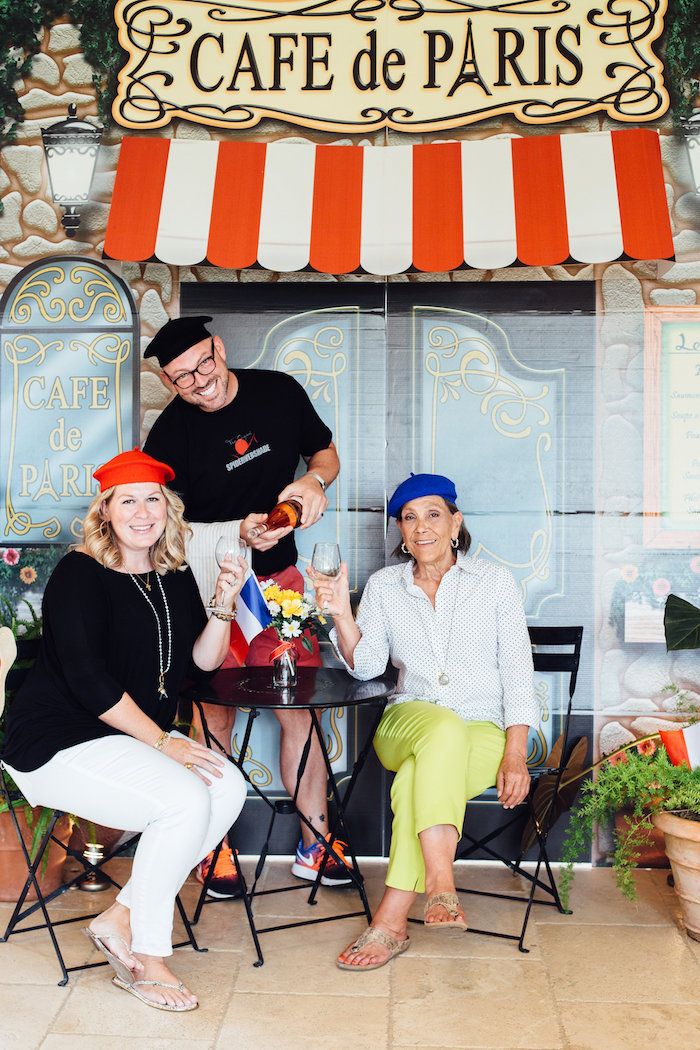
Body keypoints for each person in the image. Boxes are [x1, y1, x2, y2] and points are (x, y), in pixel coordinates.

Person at [1, 449, 248, 1011]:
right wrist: (165, 741)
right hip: (56, 740)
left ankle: (119, 917)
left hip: (127, 740)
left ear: (169, 508)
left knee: (226, 787)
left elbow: (201, 665)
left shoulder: (173, 576)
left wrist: (224, 606)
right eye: (127, 500)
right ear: (106, 511)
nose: (142, 512)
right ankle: (148, 957)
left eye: (153, 499)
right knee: (186, 797)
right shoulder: (79, 573)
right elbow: (88, 680)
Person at [142, 315, 350, 894]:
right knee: (214, 716)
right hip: (213, 592)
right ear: (170, 383)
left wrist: (313, 485)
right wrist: (236, 530)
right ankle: (215, 847)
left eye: (204, 364)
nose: (200, 382)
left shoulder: (278, 392)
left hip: (280, 582)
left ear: (219, 347)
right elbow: (162, 526)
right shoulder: (170, 434)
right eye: (182, 378)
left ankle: (316, 842)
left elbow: (325, 454)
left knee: (298, 710)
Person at [308, 472, 539, 971]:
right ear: (401, 530)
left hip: (482, 730)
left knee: (419, 776)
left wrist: (516, 753)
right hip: (407, 722)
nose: (421, 527)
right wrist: (342, 611)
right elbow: (368, 667)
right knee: (440, 730)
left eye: (433, 514)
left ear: (456, 522)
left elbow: (519, 672)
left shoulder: (494, 583)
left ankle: (392, 922)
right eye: (409, 518)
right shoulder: (385, 586)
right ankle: (440, 881)